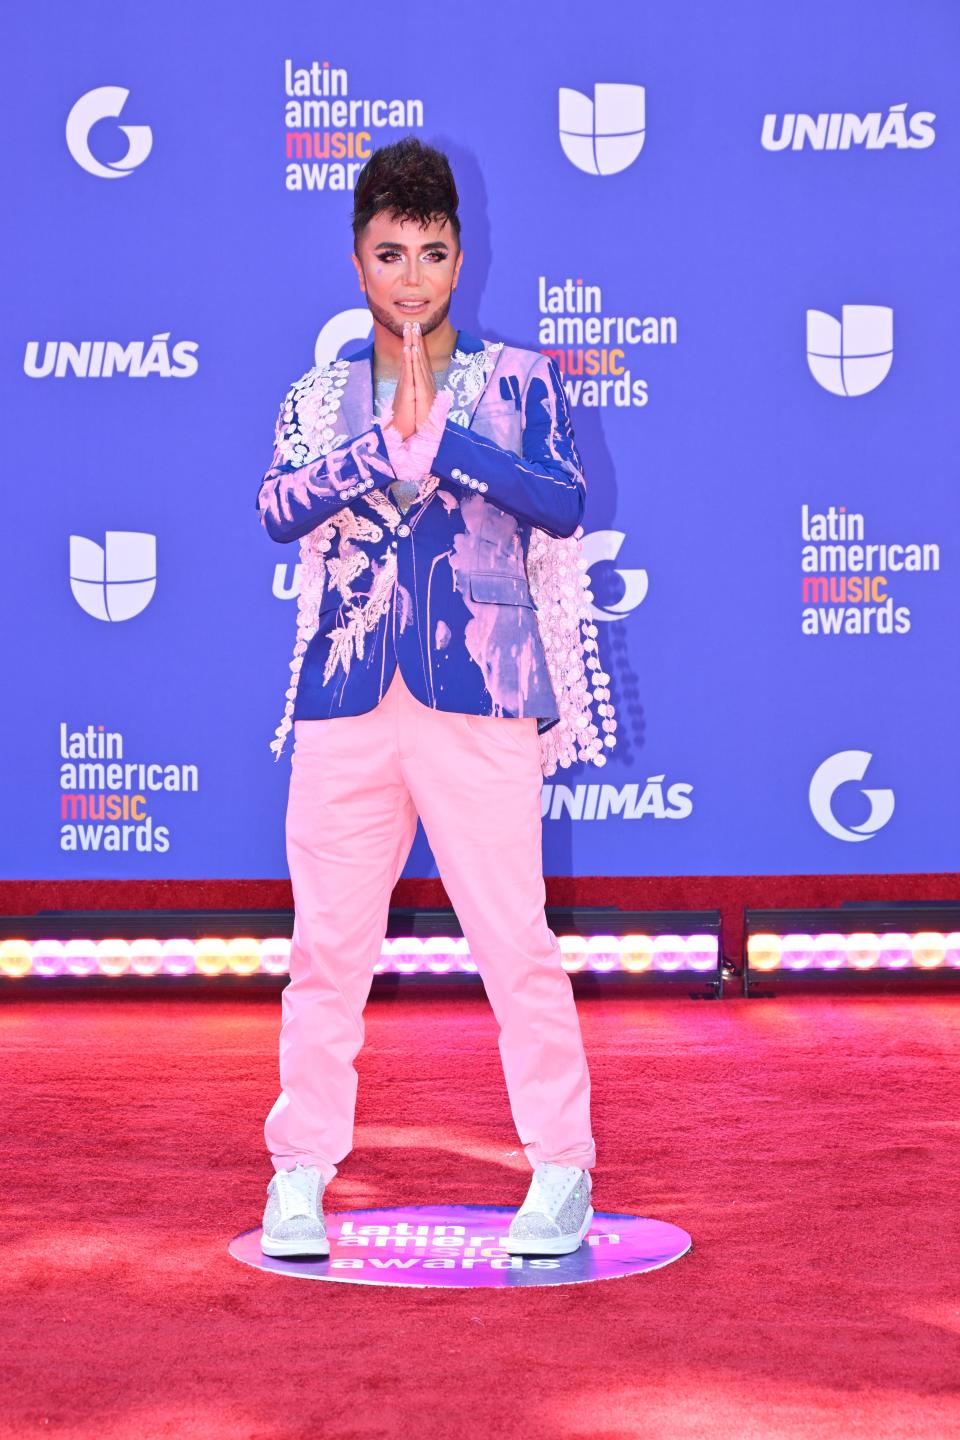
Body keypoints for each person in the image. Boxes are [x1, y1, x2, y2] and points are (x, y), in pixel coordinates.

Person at [255, 136, 614, 1261]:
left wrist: (448, 446)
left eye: (433, 253)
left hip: (479, 695)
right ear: (357, 261)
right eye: (390, 253)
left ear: (461, 259)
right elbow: (274, 509)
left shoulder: (517, 381)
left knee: (516, 941)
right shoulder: (317, 399)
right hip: (345, 702)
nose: (412, 276)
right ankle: (300, 1170)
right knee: (326, 953)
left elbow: (561, 503)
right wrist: (373, 455)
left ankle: (562, 1170)